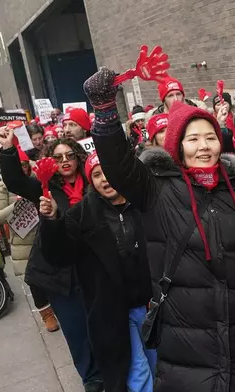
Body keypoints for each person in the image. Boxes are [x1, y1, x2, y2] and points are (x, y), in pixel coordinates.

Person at [84, 67, 235, 392]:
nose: (203, 146)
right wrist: (105, 111)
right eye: (193, 139)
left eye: (210, 137)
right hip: (186, 344)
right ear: (178, 146)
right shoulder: (156, 189)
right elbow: (118, 166)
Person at [38, 152, 156, 392]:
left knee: (158, 364)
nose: (105, 179)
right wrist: (51, 222)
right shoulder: (81, 215)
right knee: (138, 372)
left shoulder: (143, 205)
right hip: (112, 312)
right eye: (96, 174)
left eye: (108, 170)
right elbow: (59, 255)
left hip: (150, 306)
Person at [0, 130, 103, 392]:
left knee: (101, 325)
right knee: (77, 331)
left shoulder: (95, 183)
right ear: (50, 162)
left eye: (69, 156)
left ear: (78, 158)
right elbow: (14, 181)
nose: (64, 161)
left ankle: (110, 370)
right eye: (57, 157)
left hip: (94, 269)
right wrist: (9, 151)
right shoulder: (45, 187)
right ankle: (91, 379)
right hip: (59, 275)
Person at [0, 146, 59, 332]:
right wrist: (18, 205)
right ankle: (46, 314)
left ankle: (59, 305)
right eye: (17, 165)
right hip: (22, 240)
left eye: (23, 164)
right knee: (34, 279)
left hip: (44, 231)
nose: (21, 168)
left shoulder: (40, 177)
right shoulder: (3, 186)